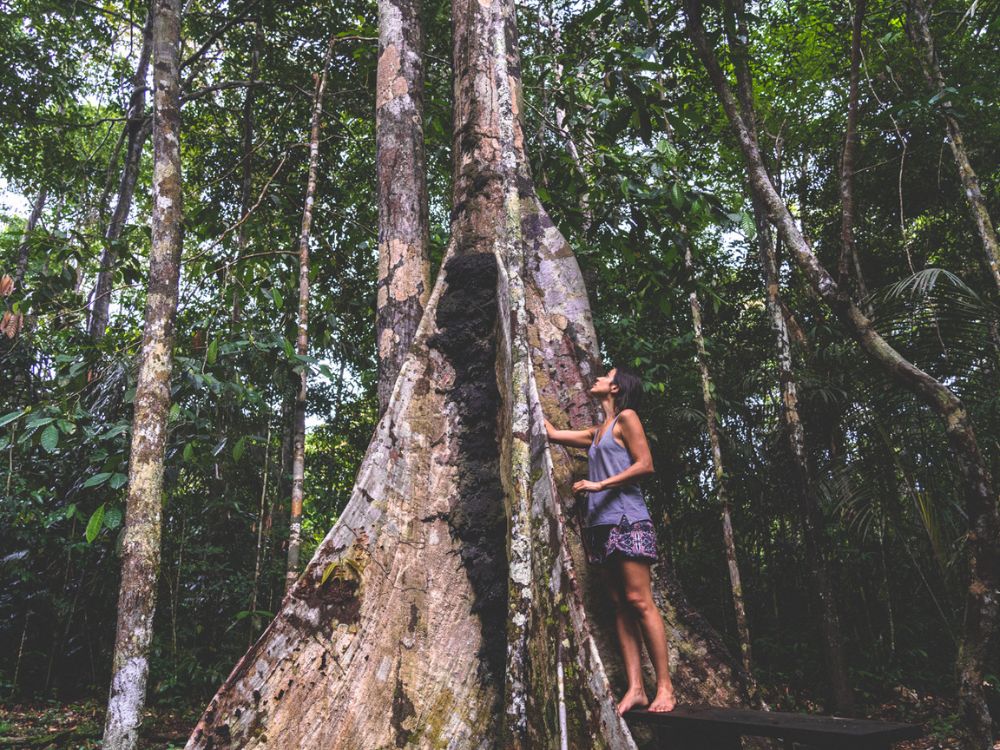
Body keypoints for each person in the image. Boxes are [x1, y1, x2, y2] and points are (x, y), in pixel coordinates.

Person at [544, 365, 677, 715]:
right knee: (619, 604)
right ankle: (636, 688)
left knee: (639, 600)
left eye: (606, 375)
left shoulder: (626, 418)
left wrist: (598, 485)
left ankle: (665, 686)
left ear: (616, 388)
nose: (598, 378)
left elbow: (645, 464)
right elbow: (553, 434)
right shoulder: (598, 430)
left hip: (627, 520)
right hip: (599, 526)